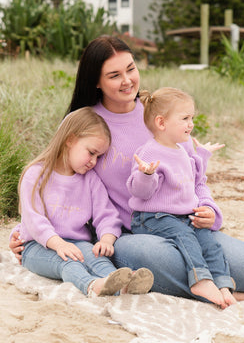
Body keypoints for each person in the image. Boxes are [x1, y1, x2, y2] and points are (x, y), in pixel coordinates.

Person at [10, 35, 244, 305]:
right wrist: (28, 233)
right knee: (147, 258)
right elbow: (57, 181)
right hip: (131, 235)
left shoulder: (159, 113)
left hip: (183, 224)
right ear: (96, 81)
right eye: (114, 75)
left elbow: (195, 177)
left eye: (131, 68)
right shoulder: (87, 125)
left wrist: (209, 208)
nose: (127, 80)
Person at [13, 107, 154, 297]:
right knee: (68, 262)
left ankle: (121, 285)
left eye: (98, 157)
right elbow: (33, 219)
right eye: (91, 152)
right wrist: (59, 244)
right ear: (70, 140)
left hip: (78, 242)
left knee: (97, 257)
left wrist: (106, 239)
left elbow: (106, 215)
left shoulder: (90, 180)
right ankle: (92, 285)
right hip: (38, 247)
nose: (93, 162)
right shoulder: (36, 174)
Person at [127, 87, 236, 309]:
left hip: (182, 215)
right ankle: (201, 280)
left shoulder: (181, 150)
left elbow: (195, 178)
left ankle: (222, 284)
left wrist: (202, 155)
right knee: (186, 236)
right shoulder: (149, 152)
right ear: (161, 123)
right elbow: (141, 192)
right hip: (152, 217)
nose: (191, 124)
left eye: (191, 118)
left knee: (207, 240)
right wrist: (145, 174)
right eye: (185, 118)